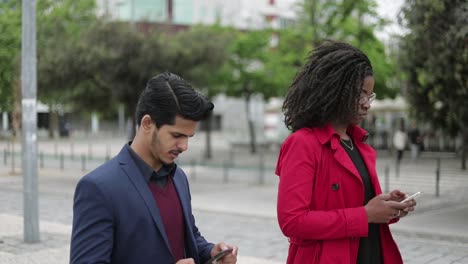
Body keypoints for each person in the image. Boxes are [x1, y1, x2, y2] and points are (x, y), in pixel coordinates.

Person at [70, 72, 238, 264]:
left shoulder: (178, 177)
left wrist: (211, 253)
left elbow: (188, 238)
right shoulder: (98, 187)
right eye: (176, 135)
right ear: (147, 123)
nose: (184, 146)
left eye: (188, 137)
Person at [275, 40, 416, 264]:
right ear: (335, 90)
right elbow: (292, 221)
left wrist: (388, 207)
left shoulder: (359, 143)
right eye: (361, 94)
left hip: (372, 254)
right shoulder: (303, 144)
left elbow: (360, 206)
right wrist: (366, 214)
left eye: (369, 96)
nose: (366, 104)